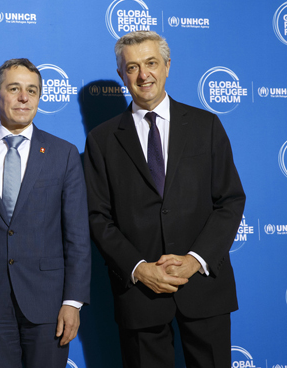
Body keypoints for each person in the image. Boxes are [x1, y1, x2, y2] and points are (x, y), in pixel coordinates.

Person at [84, 31, 245, 367]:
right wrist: (138, 269)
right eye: (132, 67)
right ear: (121, 75)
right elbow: (97, 217)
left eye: (151, 63)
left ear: (167, 66)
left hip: (204, 288)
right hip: (140, 294)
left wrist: (195, 259)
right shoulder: (101, 141)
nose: (144, 75)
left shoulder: (206, 126)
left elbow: (229, 200)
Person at [0, 58, 91, 368]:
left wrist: (73, 302)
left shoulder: (63, 153)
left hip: (49, 306)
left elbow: (78, 234)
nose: (24, 98)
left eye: (32, 90)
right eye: (14, 89)